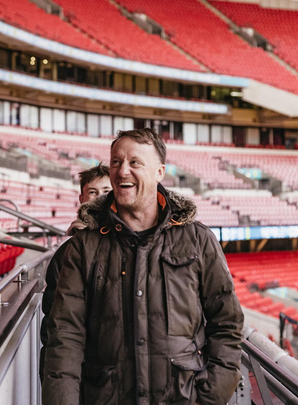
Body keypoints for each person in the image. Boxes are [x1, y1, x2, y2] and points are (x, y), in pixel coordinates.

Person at [43, 129, 244, 405]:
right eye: (116, 162)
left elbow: (227, 325)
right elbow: (65, 338)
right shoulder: (83, 247)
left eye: (135, 162)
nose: (122, 171)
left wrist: (208, 399)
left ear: (160, 172)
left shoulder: (198, 240)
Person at [40, 163, 111, 380]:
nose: (99, 197)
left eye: (106, 192)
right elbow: (56, 322)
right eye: (93, 192)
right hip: (87, 366)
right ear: (81, 198)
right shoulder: (71, 249)